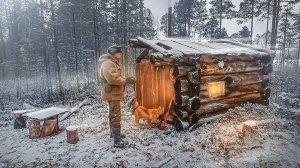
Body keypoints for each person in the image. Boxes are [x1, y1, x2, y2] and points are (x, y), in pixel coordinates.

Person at [98, 45, 135, 148]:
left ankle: (113, 134)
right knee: (116, 115)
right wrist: (126, 80)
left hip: (113, 93)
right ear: (114, 53)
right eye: (119, 52)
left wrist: (126, 78)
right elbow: (112, 79)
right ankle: (117, 141)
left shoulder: (111, 62)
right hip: (112, 93)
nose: (120, 54)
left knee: (113, 113)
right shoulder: (108, 63)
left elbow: (115, 76)